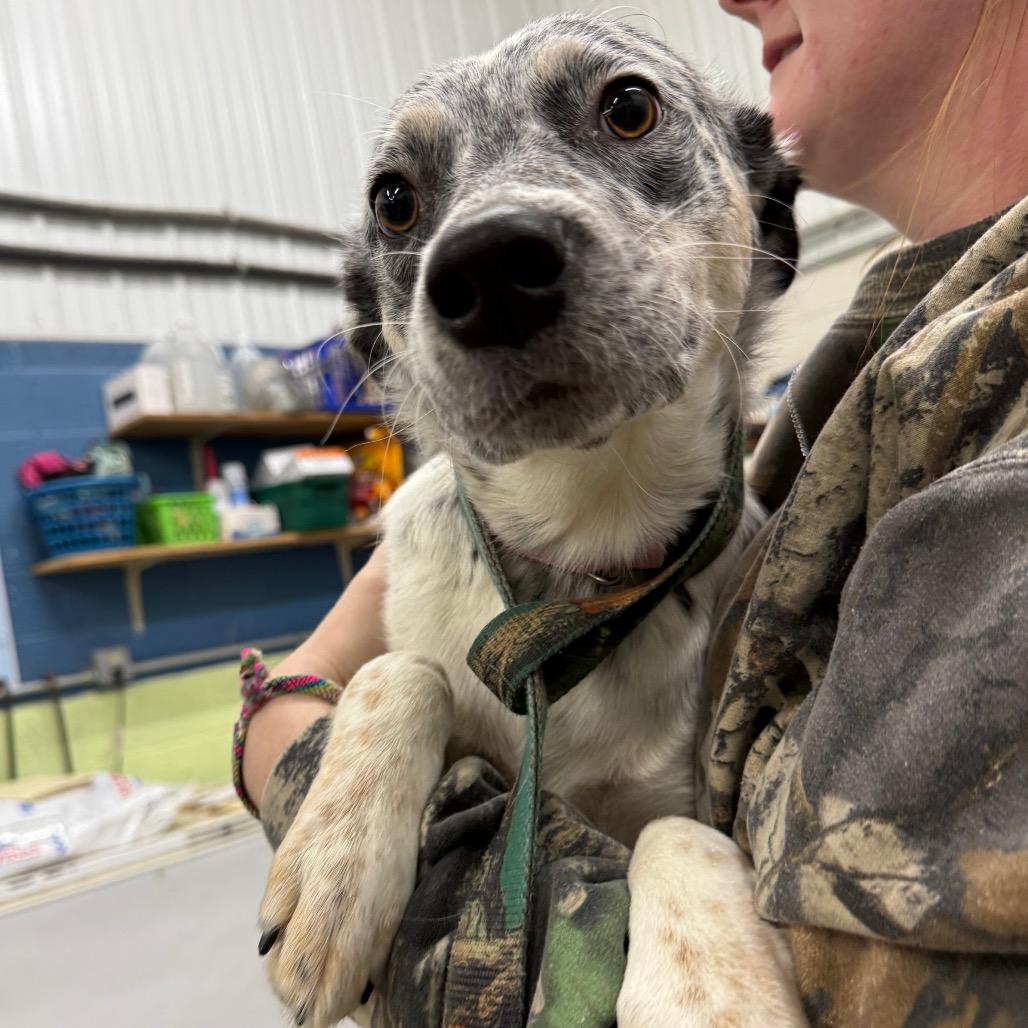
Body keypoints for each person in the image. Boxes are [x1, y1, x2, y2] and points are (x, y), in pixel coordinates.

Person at [237, 1, 1028, 1022]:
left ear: (759, 221)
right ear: (382, 333)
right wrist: (387, 699)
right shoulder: (854, 412)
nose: (481, 241)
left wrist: (275, 732)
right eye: (401, 206)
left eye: (623, 113)